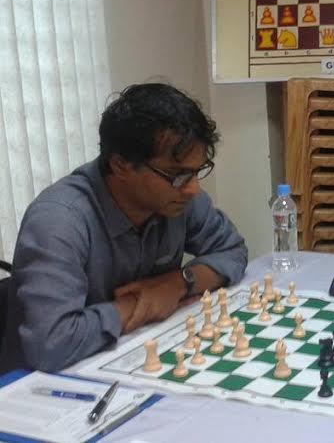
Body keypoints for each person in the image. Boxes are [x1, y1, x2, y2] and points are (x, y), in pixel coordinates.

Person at [0, 83, 248, 373]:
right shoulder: (58, 222)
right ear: (121, 166)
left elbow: (232, 250)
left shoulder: (177, 196)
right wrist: (134, 307)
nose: (193, 188)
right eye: (178, 174)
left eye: (197, 171)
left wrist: (177, 284)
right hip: (42, 390)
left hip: (133, 360)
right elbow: (51, 344)